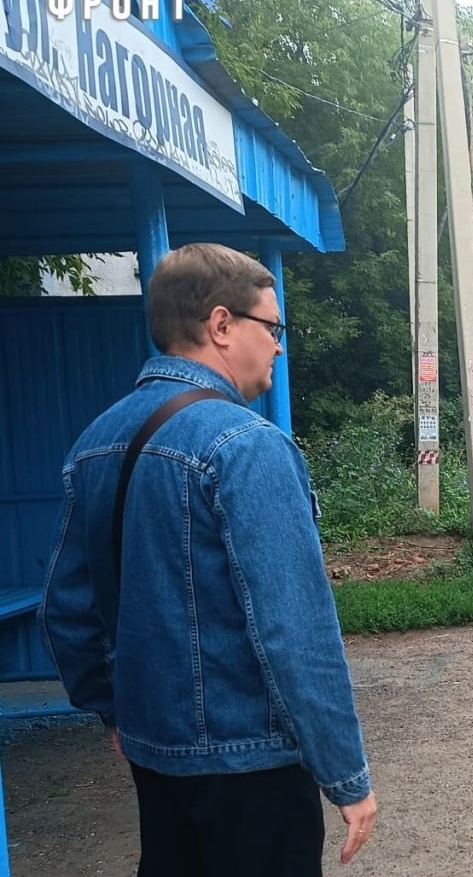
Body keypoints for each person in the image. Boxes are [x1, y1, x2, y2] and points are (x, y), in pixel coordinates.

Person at [39, 243, 376, 876]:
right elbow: (294, 630)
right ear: (221, 324)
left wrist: (114, 712)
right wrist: (345, 774)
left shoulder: (95, 442)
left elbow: (66, 610)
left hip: (155, 756)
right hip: (252, 767)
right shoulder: (248, 445)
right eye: (272, 328)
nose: (279, 347)